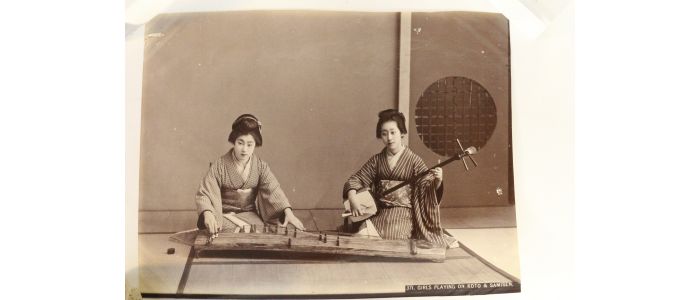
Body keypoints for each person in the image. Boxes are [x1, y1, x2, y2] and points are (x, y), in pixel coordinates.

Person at [343, 109, 456, 247]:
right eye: (384, 134)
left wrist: (438, 181)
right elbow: (356, 179)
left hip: (402, 214)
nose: (389, 138)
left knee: (393, 236)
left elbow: (426, 190)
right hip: (379, 211)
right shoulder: (377, 160)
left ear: (402, 133)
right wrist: (353, 197)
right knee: (360, 235)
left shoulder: (414, 161)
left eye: (393, 132)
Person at [195, 114, 305, 237]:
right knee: (232, 233)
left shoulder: (260, 166)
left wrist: (288, 212)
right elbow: (205, 192)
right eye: (240, 143)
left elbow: (273, 189)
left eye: (249, 144)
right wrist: (208, 213)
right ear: (234, 141)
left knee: (263, 232)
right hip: (223, 215)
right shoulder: (219, 166)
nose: (244, 149)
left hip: (250, 215)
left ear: (255, 144)